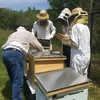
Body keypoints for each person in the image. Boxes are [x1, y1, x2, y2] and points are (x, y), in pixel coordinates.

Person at [1, 26, 44, 100]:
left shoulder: (13, 34)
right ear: (25, 30)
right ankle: (17, 97)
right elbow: (39, 47)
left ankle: (15, 93)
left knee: (13, 77)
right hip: (15, 54)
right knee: (18, 80)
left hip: (5, 54)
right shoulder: (28, 34)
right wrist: (44, 52)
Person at [62, 7, 91, 77]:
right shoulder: (86, 27)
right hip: (86, 57)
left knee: (76, 79)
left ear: (75, 17)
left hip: (78, 58)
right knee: (84, 77)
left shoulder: (76, 27)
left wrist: (66, 40)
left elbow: (75, 44)